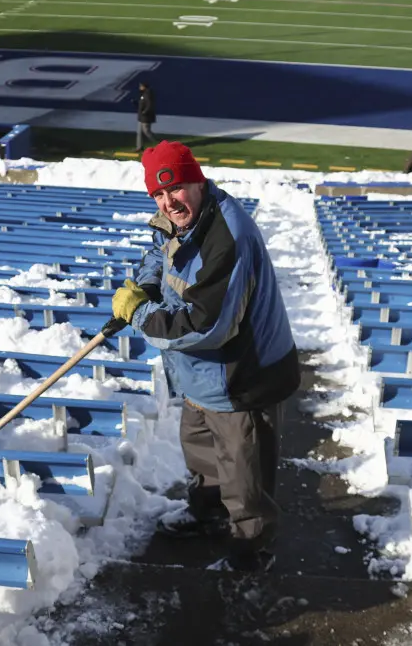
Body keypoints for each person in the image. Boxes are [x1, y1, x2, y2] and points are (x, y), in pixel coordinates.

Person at [111, 142, 300, 573]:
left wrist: (140, 313)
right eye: (158, 195)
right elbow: (160, 255)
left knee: (242, 469)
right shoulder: (182, 220)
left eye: (175, 188)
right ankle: (207, 513)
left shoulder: (227, 237)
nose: (168, 202)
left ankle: (250, 549)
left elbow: (204, 325)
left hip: (240, 377)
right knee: (201, 450)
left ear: (196, 180)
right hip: (201, 373)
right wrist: (144, 287)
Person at [136, 82, 157, 151]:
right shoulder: (143, 93)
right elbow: (143, 103)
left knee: (146, 131)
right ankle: (139, 147)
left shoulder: (148, 94)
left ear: (144, 87)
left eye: (141, 86)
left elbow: (149, 105)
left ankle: (159, 144)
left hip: (146, 117)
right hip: (142, 116)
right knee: (140, 132)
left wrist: (145, 112)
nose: (139, 87)